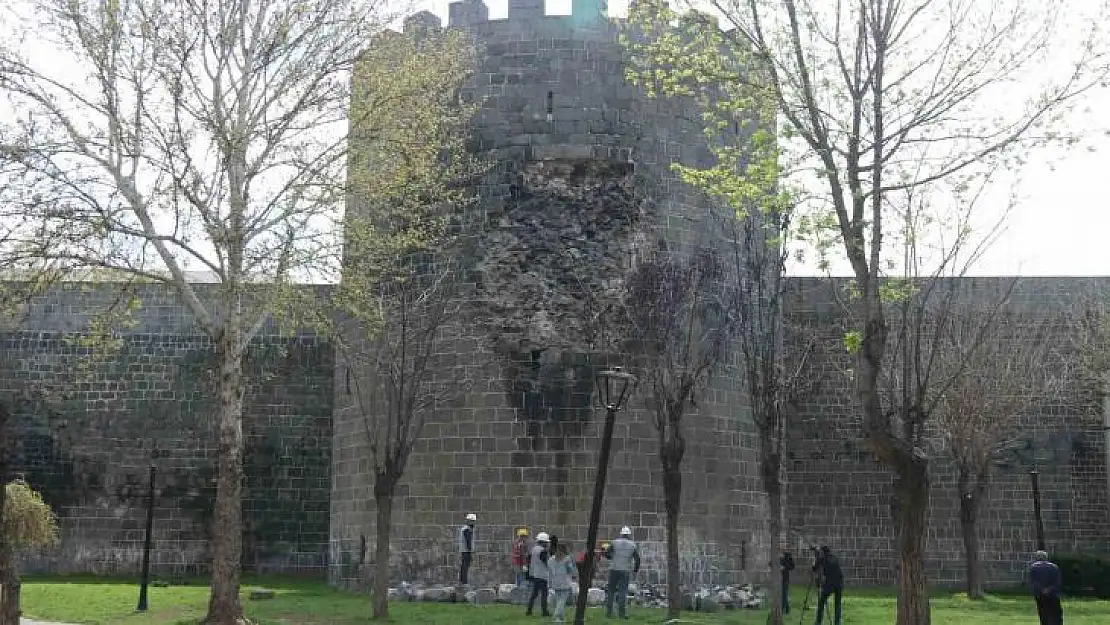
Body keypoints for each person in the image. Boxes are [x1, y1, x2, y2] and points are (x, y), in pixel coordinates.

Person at [603, 526, 641, 620]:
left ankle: (609, 613)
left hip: (614, 569)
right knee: (622, 592)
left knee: (611, 591)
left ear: (621, 534)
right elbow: (637, 559)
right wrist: (635, 570)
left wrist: (612, 558)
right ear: (629, 535)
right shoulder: (632, 545)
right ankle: (622, 615)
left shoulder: (614, 542)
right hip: (625, 570)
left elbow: (606, 553)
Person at [1028, 550, 1063, 625]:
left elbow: (1033, 581)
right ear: (1046, 557)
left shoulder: (1033, 567)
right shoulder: (1054, 567)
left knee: (1043, 613)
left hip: (1039, 594)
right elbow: (1057, 582)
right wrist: (1049, 589)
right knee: (1056, 614)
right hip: (1053, 594)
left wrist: (1042, 589)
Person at [812, 545, 843, 625]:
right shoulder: (834, 557)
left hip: (830, 584)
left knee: (821, 602)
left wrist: (816, 557)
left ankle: (818, 622)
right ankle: (837, 622)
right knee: (838, 604)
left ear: (822, 552)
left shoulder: (822, 559)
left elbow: (814, 568)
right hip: (839, 583)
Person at [549, 541, 578, 624]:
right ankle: (557, 616)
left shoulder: (551, 559)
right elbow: (570, 570)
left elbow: (550, 570)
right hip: (565, 582)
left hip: (555, 582)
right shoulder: (567, 559)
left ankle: (561, 618)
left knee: (559, 600)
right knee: (562, 601)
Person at [526, 531, 551, 617]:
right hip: (542, 575)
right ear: (543, 542)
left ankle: (529, 610)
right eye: (546, 542)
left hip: (534, 574)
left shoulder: (533, 550)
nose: (547, 544)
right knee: (544, 594)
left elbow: (529, 561)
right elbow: (546, 563)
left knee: (534, 593)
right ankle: (544, 612)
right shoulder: (542, 551)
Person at [457, 513, 476, 585]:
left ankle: (462, 581)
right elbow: (468, 541)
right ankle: (464, 581)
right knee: (465, 566)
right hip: (466, 551)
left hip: (464, 550)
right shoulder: (467, 529)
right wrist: (470, 551)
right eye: (473, 521)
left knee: (463, 566)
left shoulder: (465, 528)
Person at [780, 550, 796, 615]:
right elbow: (770, 564)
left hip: (785, 578)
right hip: (779, 578)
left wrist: (784, 567)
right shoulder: (778, 557)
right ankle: (786, 609)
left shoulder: (788, 557)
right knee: (783, 595)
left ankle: (784, 609)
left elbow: (792, 567)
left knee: (784, 594)